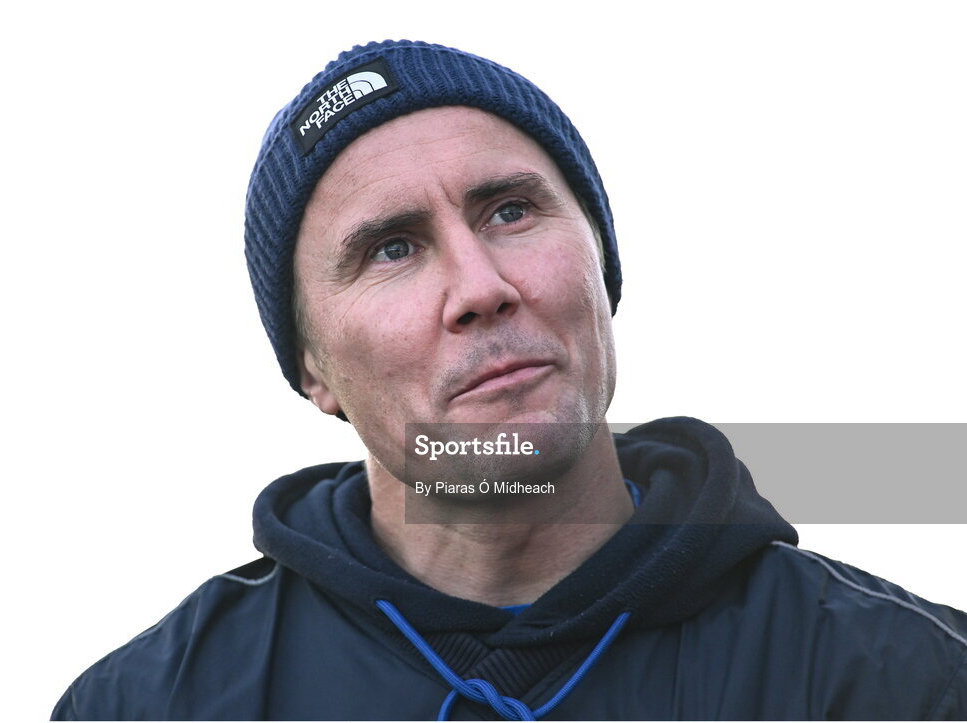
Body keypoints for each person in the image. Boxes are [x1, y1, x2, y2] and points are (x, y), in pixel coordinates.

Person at [52, 40, 967, 720]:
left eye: (512, 210)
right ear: (313, 369)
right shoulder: (152, 704)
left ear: (600, 271)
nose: (483, 288)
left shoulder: (897, 677)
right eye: (393, 248)